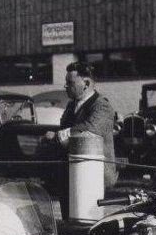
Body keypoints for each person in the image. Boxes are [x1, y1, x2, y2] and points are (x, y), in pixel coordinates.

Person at [45, 62, 118, 217]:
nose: (66, 86)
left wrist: (59, 135)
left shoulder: (102, 107)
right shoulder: (72, 106)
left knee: (87, 220)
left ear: (86, 83)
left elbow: (89, 130)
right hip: (70, 172)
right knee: (68, 218)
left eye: (70, 83)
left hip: (93, 174)